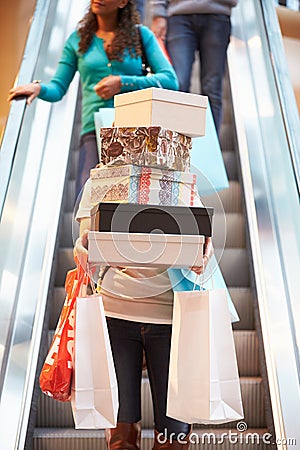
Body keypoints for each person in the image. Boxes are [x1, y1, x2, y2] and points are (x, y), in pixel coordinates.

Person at [74, 179, 213, 450]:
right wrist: (84, 251)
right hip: (116, 312)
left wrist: (203, 256)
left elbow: (204, 243)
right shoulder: (103, 179)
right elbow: (84, 243)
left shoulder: (181, 177)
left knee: (174, 432)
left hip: (172, 318)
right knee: (120, 434)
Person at [7, 0, 178, 199]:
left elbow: (170, 80)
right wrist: (38, 87)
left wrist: (123, 82)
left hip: (134, 132)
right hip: (93, 130)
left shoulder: (141, 35)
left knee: (129, 203)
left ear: (123, 2)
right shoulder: (77, 40)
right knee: (88, 201)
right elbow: (58, 87)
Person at [150, 0, 238, 134]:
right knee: (177, 85)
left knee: (212, 87)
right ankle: (176, 147)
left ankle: (210, 148)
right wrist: (158, 14)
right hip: (178, 16)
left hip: (217, 14)